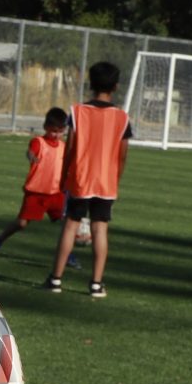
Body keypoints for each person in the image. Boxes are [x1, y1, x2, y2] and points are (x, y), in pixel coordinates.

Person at [47, 60, 131, 297]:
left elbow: (70, 148)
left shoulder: (78, 112)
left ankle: (55, 279)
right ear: (115, 86)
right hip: (106, 181)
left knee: (71, 226)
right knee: (100, 229)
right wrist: (115, 178)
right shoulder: (121, 117)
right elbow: (122, 154)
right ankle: (96, 283)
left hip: (81, 179)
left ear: (91, 84)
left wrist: (64, 176)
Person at [0, 106, 70, 257]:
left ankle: (67, 255)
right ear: (45, 127)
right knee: (21, 223)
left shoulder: (63, 146)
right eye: (54, 131)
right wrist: (31, 156)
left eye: (61, 132)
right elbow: (30, 151)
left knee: (68, 224)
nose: (57, 135)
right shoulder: (38, 142)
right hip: (36, 192)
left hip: (56, 192)